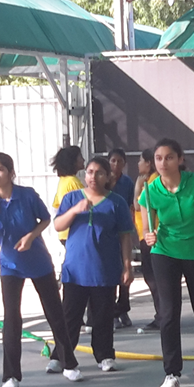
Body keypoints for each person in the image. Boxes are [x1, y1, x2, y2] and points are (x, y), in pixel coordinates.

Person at [0, 153, 80, 387]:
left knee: (55, 313)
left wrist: (31, 237)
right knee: (11, 319)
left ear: (11, 172)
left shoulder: (27, 195)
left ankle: (69, 364)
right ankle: (11, 375)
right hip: (9, 266)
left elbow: (45, 219)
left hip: (39, 262)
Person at [140, 139, 194, 387]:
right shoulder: (149, 191)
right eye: (158, 158)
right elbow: (146, 228)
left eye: (169, 157)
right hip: (165, 252)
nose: (163, 163)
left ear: (180, 159)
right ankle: (172, 373)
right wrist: (148, 236)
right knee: (168, 313)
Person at [52, 156, 134, 374]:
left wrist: (127, 265)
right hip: (75, 269)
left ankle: (105, 354)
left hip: (104, 269)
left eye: (99, 173)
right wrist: (75, 210)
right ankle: (61, 356)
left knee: (103, 316)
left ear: (107, 177)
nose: (93, 177)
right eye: (89, 172)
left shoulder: (116, 202)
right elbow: (58, 224)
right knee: (70, 316)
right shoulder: (72, 198)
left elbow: (125, 235)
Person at [107, 148, 135, 329]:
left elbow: (132, 204)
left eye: (120, 161)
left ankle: (123, 308)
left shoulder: (127, 182)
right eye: (113, 161)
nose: (116, 165)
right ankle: (111, 312)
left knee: (126, 270)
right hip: (108, 232)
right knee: (112, 273)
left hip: (123, 230)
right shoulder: (104, 181)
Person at [133, 148, 160, 330]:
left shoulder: (151, 181)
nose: (138, 164)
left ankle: (162, 315)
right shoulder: (151, 180)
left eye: (141, 160)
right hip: (146, 234)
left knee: (153, 278)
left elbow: (138, 205)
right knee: (151, 277)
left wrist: (137, 186)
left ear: (148, 163)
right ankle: (161, 314)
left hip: (151, 235)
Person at [51, 146, 85, 244]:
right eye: (80, 157)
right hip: (74, 232)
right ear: (73, 161)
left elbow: (55, 206)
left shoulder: (63, 181)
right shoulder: (73, 182)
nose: (83, 160)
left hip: (64, 233)